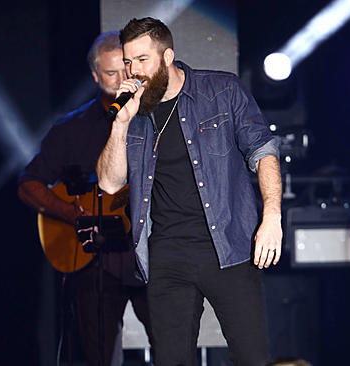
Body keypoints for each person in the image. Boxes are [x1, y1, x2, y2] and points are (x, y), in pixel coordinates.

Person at [96, 17, 283, 366]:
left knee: (253, 357)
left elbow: (263, 151)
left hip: (228, 246)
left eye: (142, 60)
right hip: (167, 253)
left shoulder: (222, 90)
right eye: (127, 62)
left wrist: (271, 215)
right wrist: (120, 126)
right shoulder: (134, 114)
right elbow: (108, 183)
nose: (132, 71)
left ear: (167, 57)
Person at [18, 31, 152, 366]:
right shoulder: (71, 129)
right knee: (97, 356)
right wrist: (72, 214)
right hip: (96, 261)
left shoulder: (158, 120)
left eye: (126, 69)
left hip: (153, 254)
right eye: (111, 74)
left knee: (173, 346)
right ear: (95, 77)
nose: (123, 80)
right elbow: (29, 184)